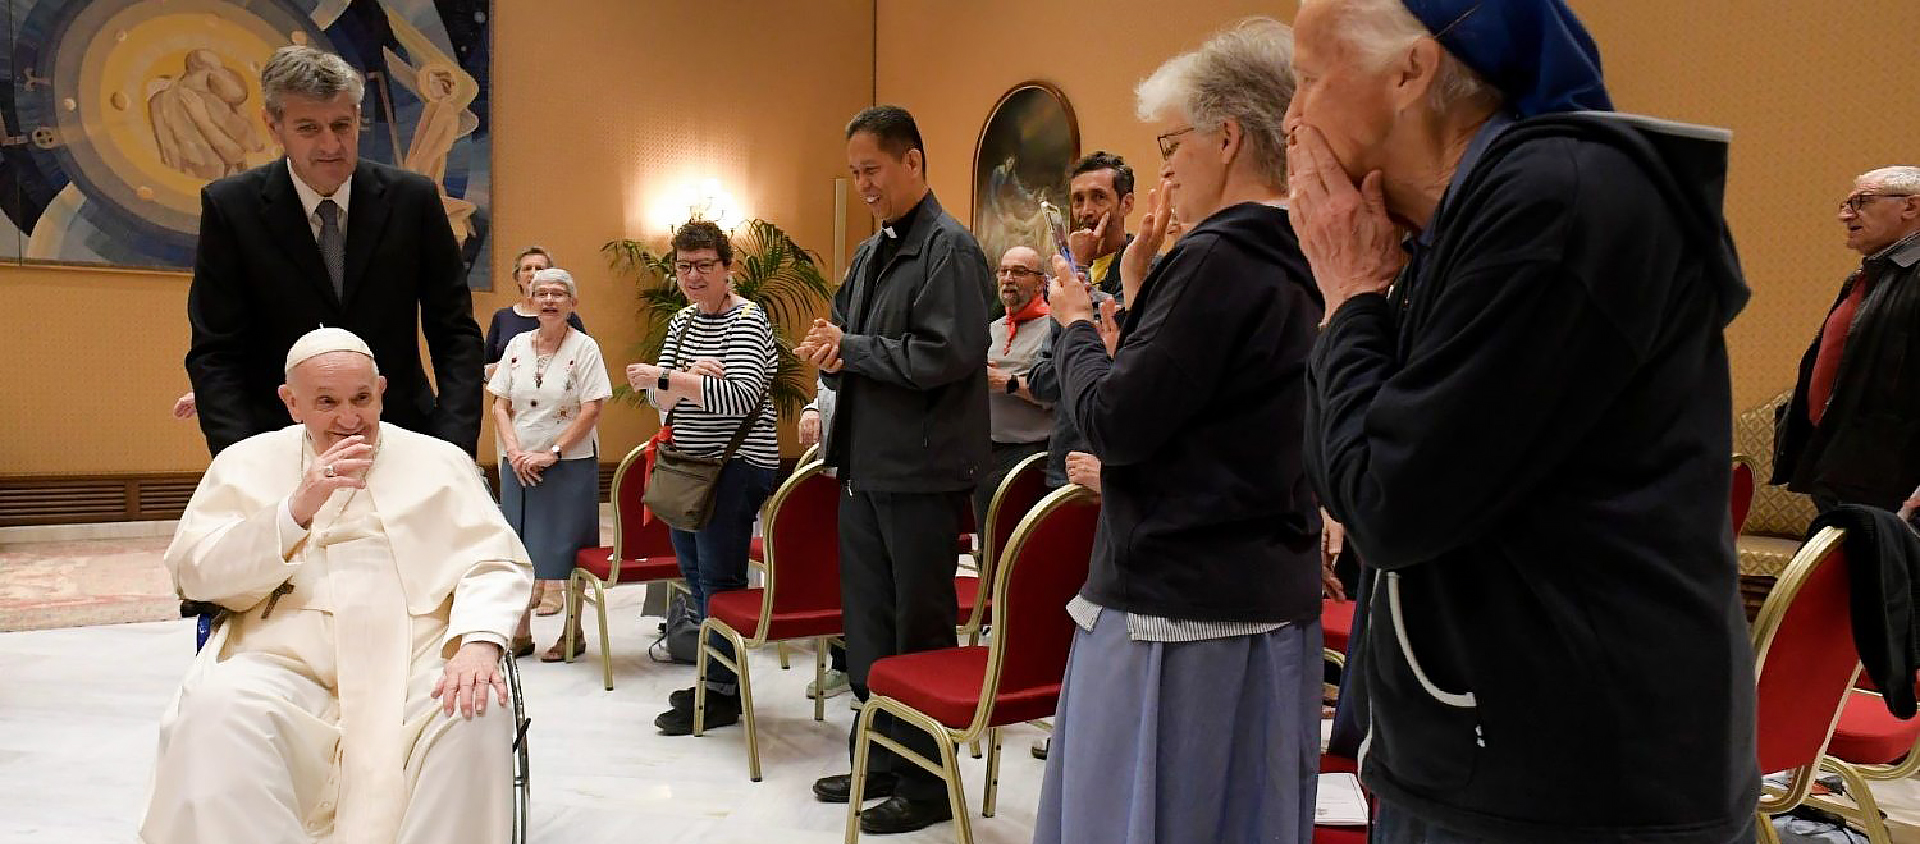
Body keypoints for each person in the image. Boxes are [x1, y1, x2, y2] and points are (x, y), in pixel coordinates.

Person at [1288, 1, 1758, 842]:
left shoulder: (1556, 202)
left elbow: (1383, 500)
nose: (1291, 119)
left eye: (1307, 79)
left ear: (1410, 71)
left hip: (1564, 790)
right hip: (1489, 759)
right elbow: (1351, 477)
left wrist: (1354, 293)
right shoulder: (1466, 224)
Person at [1031, 20, 1325, 844]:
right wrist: (1135, 292)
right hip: (1265, 592)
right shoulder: (1308, 248)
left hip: (1179, 608)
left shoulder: (1219, 256)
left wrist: (1079, 324)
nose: (1162, 168)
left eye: (1170, 144)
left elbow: (1119, 422)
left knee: (1151, 814)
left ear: (1228, 137)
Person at [143, 327, 532, 844]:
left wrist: (480, 641)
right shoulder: (244, 462)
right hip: (282, 653)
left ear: (382, 391)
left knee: (474, 706)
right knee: (217, 712)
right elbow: (194, 570)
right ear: (291, 402)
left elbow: (494, 560)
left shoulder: (440, 462)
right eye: (327, 402)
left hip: (416, 652)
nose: (350, 419)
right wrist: (294, 510)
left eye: (362, 399)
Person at [796, 104, 991, 836]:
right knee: (869, 627)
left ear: (913, 162)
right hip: (866, 467)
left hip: (921, 472)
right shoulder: (876, 251)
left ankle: (925, 781)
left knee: (920, 629)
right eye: (853, 174)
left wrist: (853, 351)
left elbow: (948, 355)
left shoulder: (951, 250)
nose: (864, 185)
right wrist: (829, 345)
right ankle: (877, 758)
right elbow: (848, 329)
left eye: (871, 170)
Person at [185, 45, 483, 458]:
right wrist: (240, 460)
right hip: (278, 443)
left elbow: (455, 334)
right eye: (308, 128)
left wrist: (453, 446)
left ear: (358, 118)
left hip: (403, 436)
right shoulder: (231, 208)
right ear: (274, 126)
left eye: (341, 125)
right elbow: (215, 351)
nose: (331, 144)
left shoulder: (413, 201)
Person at [622, 220, 781, 736]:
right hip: (687, 468)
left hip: (735, 469)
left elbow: (734, 399)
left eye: (704, 266)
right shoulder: (684, 323)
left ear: (727, 268)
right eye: (684, 267)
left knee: (719, 582)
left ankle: (720, 694)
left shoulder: (748, 320)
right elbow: (656, 401)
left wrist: (671, 377)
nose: (693, 276)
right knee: (694, 580)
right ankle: (716, 682)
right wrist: (694, 376)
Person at [1774, 166, 1920, 514]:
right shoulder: (1871, 274)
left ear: (1910, 208)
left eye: (1861, 202)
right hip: (1845, 469)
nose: (1845, 215)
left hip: (1893, 484)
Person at [488, 268, 613, 661]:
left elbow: (592, 408)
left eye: (558, 294)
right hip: (519, 463)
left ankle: (571, 632)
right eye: (541, 293)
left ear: (572, 303)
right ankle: (521, 633)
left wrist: (552, 452)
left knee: (568, 551)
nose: (549, 300)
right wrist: (513, 451)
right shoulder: (516, 345)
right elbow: (500, 404)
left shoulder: (585, 348)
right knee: (519, 548)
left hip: (568, 464)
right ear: (530, 298)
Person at [1029, 152, 1146, 488]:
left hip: (1120, 466)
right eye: (1078, 200)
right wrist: (1075, 268)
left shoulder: (1146, 269)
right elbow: (1043, 381)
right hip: (1065, 460)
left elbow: (1128, 370)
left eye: (1098, 197)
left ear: (1126, 204)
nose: (1085, 211)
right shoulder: (1066, 276)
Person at [973, 245, 1054, 526]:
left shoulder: (1054, 328)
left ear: (1041, 282)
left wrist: (1005, 382)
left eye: (1019, 272)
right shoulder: (991, 329)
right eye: (1004, 271)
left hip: (1032, 458)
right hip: (985, 452)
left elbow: (1058, 393)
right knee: (988, 551)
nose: (1008, 278)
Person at [797, 378, 857, 705]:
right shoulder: (840, 338)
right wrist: (812, 410)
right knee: (840, 573)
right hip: (839, 474)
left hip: (881, 474)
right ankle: (845, 663)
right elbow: (828, 388)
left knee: (871, 581)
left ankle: (874, 671)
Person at [485, 246, 587, 383]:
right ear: (517, 277)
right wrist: (501, 368)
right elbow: (483, 369)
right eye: (527, 268)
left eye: (539, 268)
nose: (533, 273)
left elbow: (583, 364)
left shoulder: (567, 317)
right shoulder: (502, 317)